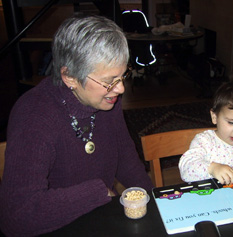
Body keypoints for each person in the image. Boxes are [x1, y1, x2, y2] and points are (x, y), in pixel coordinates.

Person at [0, 15, 153, 236]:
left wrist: (155, 199)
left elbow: (124, 156)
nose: (120, 89)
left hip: (97, 221)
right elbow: (16, 217)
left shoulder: (106, 100)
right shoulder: (33, 116)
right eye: (110, 81)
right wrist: (96, 193)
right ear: (69, 77)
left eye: (123, 76)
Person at [179, 76, 233, 185]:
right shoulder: (204, 141)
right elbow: (186, 170)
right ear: (214, 117)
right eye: (231, 122)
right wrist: (212, 168)